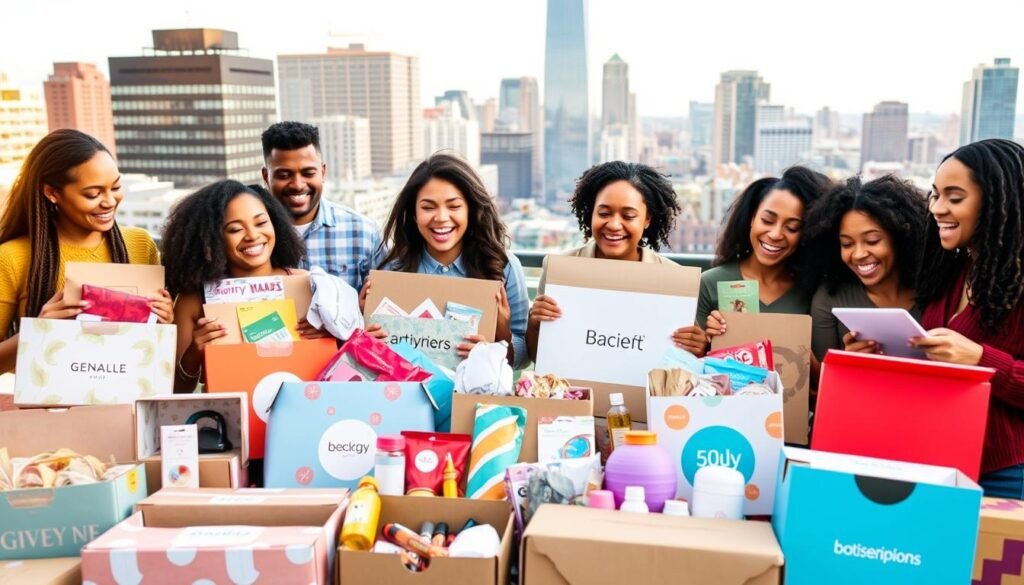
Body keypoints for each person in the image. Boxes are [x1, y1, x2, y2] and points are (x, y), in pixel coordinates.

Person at [0, 129, 171, 373]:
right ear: (51, 193)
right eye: (93, 194)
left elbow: (151, 346)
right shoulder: (12, 257)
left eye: (116, 187)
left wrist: (165, 320)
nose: (109, 201)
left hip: (128, 402)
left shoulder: (140, 244)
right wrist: (39, 332)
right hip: (53, 407)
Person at [910, 139, 1024, 498]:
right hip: (940, 460)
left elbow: (973, 358)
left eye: (954, 198)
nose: (938, 209)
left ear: (996, 202)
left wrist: (980, 358)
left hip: (1006, 474)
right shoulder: (953, 270)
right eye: (935, 195)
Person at [372, 153, 529, 369]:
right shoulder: (392, 269)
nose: (441, 217)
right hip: (408, 396)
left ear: (471, 210)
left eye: (454, 206)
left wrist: (497, 343)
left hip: (476, 398)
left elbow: (523, 356)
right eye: (428, 207)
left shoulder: (505, 266)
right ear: (414, 214)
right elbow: (376, 356)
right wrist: (367, 337)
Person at [526, 161, 689, 361]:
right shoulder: (558, 269)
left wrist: (696, 349)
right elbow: (538, 358)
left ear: (647, 219)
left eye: (628, 216)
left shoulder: (675, 280)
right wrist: (535, 324)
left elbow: (679, 366)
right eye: (604, 213)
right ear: (590, 213)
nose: (613, 225)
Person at [161, 180, 308, 392]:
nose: (252, 236)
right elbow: (175, 391)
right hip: (230, 419)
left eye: (261, 223)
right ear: (212, 238)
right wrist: (194, 352)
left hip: (297, 412)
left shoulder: (304, 284)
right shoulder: (193, 300)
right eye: (235, 229)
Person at [692, 166, 831, 350]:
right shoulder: (709, 283)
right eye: (767, 220)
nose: (775, 234)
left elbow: (821, 373)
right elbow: (689, 364)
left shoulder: (814, 291)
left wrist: (796, 344)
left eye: (792, 227)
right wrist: (707, 345)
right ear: (751, 218)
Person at [803, 175, 928, 361]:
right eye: (846, 244)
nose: (858, 254)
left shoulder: (933, 292)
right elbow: (825, 379)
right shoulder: (830, 298)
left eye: (872, 241)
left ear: (900, 237)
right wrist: (846, 361)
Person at [260, 121, 382, 291]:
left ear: (323, 172)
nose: (297, 184)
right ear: (266, 177)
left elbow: (386, 305)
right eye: (284, 175)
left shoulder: (364, 232)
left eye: (308, 173)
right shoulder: (252, 237)